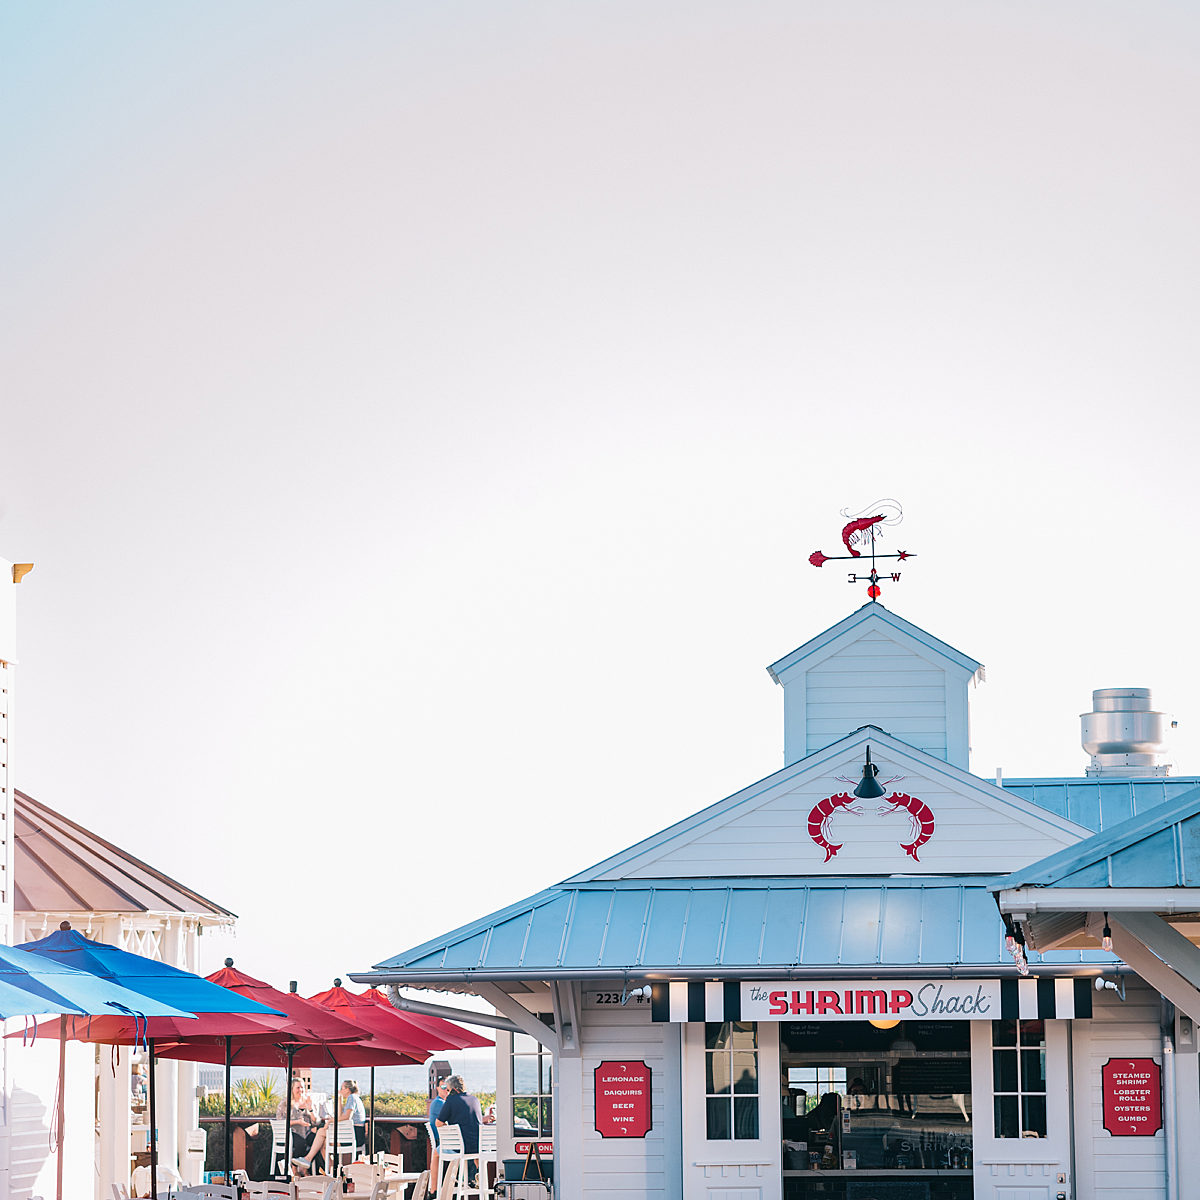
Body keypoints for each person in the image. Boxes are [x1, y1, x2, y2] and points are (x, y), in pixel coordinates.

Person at [295, 1079, 367, 1175]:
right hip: (352, 1135)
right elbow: (340, 1115)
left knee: (321, 1132)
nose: (340, 1090)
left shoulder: (352, 1098)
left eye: (342, 1088)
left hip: (354, 1136)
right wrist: (339, 1100)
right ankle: (334, 1172)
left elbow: (347, 1117)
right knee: (324, 1144)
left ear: (347, 1089)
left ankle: (309, 1159)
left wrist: (330, 1121)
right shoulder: (354, 1098)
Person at [436, 1074, 481, 1186]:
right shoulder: (475, 1099)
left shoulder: (451, 1100)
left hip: (460, 1148)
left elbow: (438, 1123)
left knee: (435, 1153)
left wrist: (449, 1128)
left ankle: (433, 1189)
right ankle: (480, 1179)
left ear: (454, 1089)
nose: (447, 1092)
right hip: (478, 1147)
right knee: (475, 1154)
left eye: (448, 1090)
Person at [278, 1078, 318, 1163]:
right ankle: (295, 1167)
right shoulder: (285, 1103)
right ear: (292, 1089)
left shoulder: (308, 1101)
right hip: (292, 1132)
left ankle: (308, 1167)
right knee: (301, 1143)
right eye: (298, 1087)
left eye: (302, 1087)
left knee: (317, 1143)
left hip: (307, 1133)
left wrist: (310, 1109)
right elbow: (280, 1122)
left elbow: (316, 1121)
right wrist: (297, 1122)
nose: (300, 1090)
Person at [427, 1076, 451, 1184]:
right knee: (469, 1149)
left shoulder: (441, 1102)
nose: (446, 1089)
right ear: (437, 1088)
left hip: (444, 1140)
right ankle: (469, 1181)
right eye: (443, 1087)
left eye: (448, 1087)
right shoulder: (439, 1103)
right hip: (441, 1141)